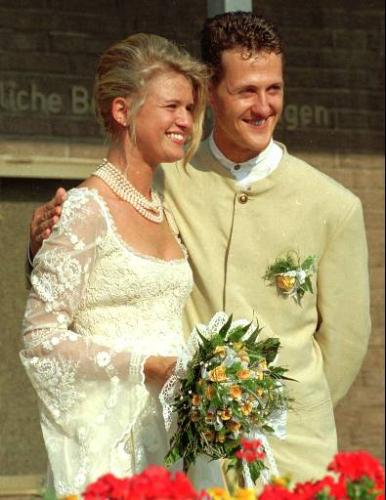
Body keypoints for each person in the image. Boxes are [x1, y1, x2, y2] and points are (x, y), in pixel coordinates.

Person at [28, 12, 371, 485]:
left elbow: (345, 347)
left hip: (293, 456)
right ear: (212, 91)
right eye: (246, 91)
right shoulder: (163, 177)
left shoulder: (335, 206)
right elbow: (87, 269)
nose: (264, 106)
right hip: (181, 454)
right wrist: (40, 246)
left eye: (274, 89)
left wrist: (263, 407)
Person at [21, 32, 225, 496]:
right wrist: (145, 366)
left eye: (190, 109)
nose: (185, 121)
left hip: (178, 438)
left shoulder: (164, 208)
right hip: (112, 448)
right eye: (171, 107)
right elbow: (40, 340)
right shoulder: (84, 208)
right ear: (122, 111)